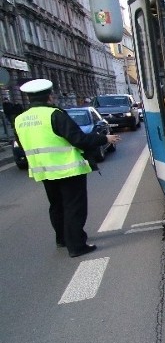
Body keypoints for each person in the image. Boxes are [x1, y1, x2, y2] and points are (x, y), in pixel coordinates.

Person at [14, 79, 121, 258]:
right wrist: (105, 139)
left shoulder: (19, 119)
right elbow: (79, 139)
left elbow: (24, 145)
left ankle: (62, 239)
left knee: (56, 206)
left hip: (43, 170)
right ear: (49, 96)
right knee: (74, 207)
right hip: (67, 168)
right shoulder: (55, 114)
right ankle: (77, 245)